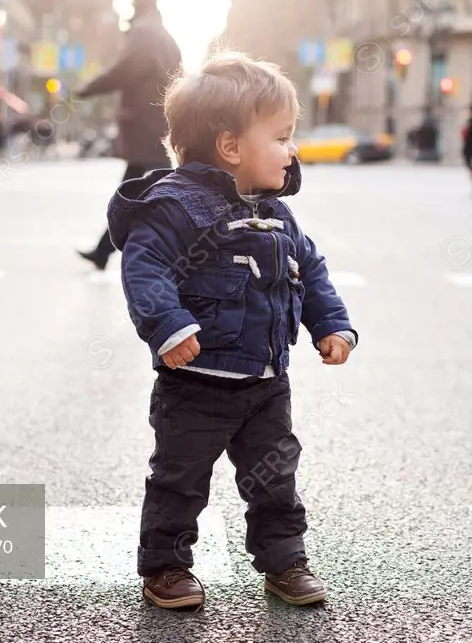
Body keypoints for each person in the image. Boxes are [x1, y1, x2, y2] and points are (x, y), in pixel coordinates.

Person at [106, 52, 358, 610]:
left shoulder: (278, 216)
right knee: (180, 480)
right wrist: (168, 327)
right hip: (195, 383)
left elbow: (310, 270)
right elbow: (144, 269)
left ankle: (285, 560)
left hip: (267, 384)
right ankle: (166, 567)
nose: (291, 150)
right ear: (231, 147)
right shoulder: (177, 208)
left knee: (275, 480)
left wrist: (332, 325)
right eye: (282, 136)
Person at [76, 0, 182, 270]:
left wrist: (87, 88)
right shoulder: (164, 36)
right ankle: (103, 250)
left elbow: (125, 70)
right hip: (158, 129)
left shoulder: (144, 33)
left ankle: (190, 253)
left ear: (139, 3)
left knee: (138, 196)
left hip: (147, 130)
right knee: (143, 194)